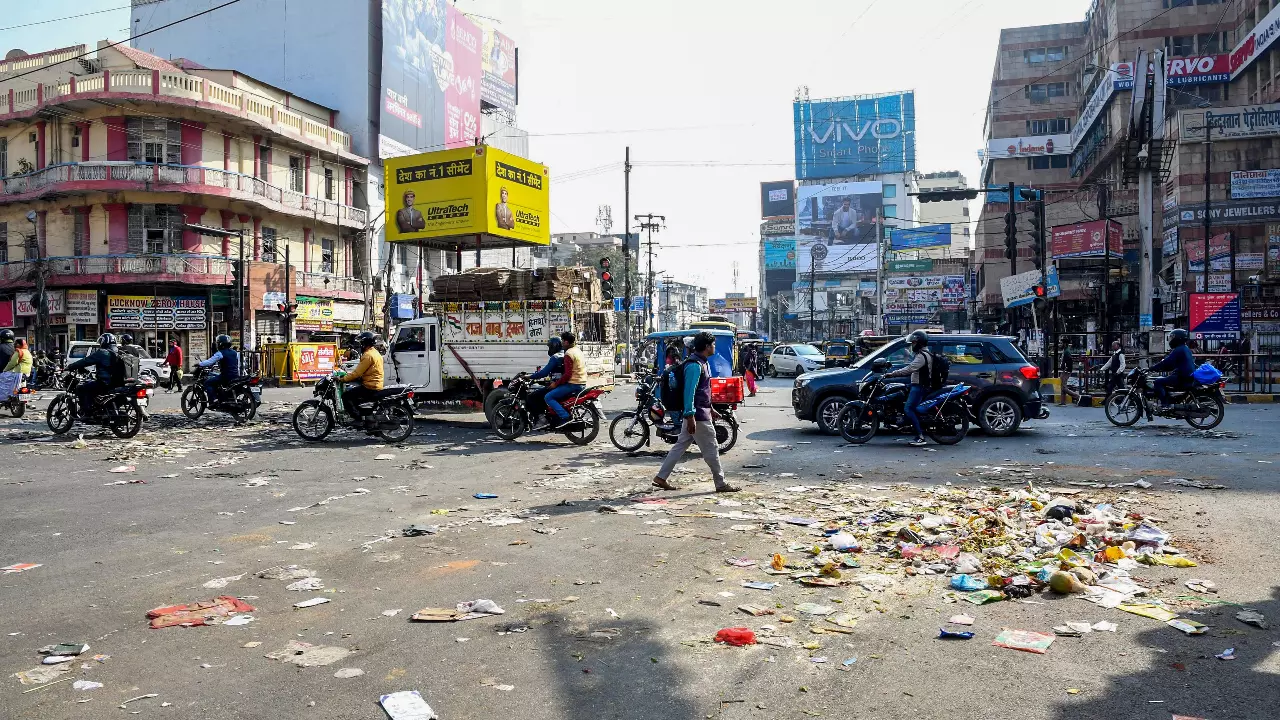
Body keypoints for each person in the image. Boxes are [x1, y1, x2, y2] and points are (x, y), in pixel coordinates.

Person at [651, 332, 740, 493]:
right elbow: (689, 392)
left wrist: (710, 408)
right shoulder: (694, 366)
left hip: (699, 413)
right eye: (713, 345)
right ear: (706, 347)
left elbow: (702, 391)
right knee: (712, 449)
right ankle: (720, 483)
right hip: (697, 417)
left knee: (680, 447)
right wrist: (690, 415)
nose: (714, 347)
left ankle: (661, 477)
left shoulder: (701, 363)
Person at [882, 329, 933, 447]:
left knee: (908, 408)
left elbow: (909, 369)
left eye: (914, 343)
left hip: (919, 387)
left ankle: (920, 436)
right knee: (899, 392)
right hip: (916, 384)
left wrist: (892, 374)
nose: (912, 345)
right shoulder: (922, 354)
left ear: (919, 343)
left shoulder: (922, 356)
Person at [65, 333, 127, 416]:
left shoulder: (103, 352)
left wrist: (70, 367)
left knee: (81, 387)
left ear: (103, 342)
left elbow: (86, 361)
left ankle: (87, 412)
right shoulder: (119, 352)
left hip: (105, 382)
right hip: (117, 383)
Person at [544, 331, 585, 428]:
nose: (562, 343)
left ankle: (565, 417)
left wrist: (556, 384)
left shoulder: (568, 354)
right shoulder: (577, 350)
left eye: (562, 341)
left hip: (574, 384)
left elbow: (567, 375)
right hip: (582, 382)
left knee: (548, 397)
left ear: (566, 342)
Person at [340, 331, 383, 421]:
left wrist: (343, 379)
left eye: (361, 343)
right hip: (375, 383)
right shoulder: (375, 352)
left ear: (365, 343)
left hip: (370, 386)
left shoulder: (368, 355)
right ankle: (362, 413)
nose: (360, 345)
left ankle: (358, 419)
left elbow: (357, 373)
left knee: (346, 396)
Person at [1150, 328, 1195, 408]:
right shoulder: (1185, 348)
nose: (1170, 340)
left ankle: (1165, 404)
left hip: (1182, 377)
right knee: (1164, 379)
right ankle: (1170, 399)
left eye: (1172, 338)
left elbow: (1167, 362)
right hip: (1186, 376)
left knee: (1157, 382)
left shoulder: (1178, 350)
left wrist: (1152, 368)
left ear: (1177, 338)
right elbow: (1171, 365)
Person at [525, 337, 564, 419]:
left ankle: (541, 418)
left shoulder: (555, 357)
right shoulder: (564, 355)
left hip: (557, 385)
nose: (549, 349)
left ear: (554, 346)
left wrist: (529, 376)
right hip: (562, 384)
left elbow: (544, 373)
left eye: (550, 347)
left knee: (532, 396)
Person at [198, 334, 240, 404]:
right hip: (235, 375)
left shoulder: (220, 353)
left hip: (226, 376)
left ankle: (214, 400)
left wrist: (199, 364)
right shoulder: (234, 353)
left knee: (207, 383)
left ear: (220, 344)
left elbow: (210, 362)